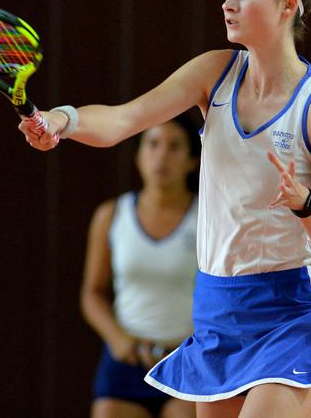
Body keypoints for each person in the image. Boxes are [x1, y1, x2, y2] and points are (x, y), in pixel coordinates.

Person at [22, 0, 311, 418]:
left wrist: (303, 204)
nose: (228, 4)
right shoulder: (214, 73)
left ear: (288, 6)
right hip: (216, 312)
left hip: (288, 313)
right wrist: (61, 120)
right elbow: (122, 120)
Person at [81, 115, 200, 418]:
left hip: (186, 359)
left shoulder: (208, 218)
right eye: (153, 144)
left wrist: (197, 343)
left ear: (192, 161)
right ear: (138, 156)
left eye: (174, 147)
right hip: (126, 359)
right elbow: (92, 294)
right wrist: (119, 340)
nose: (161, 156)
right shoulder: (111, 215)